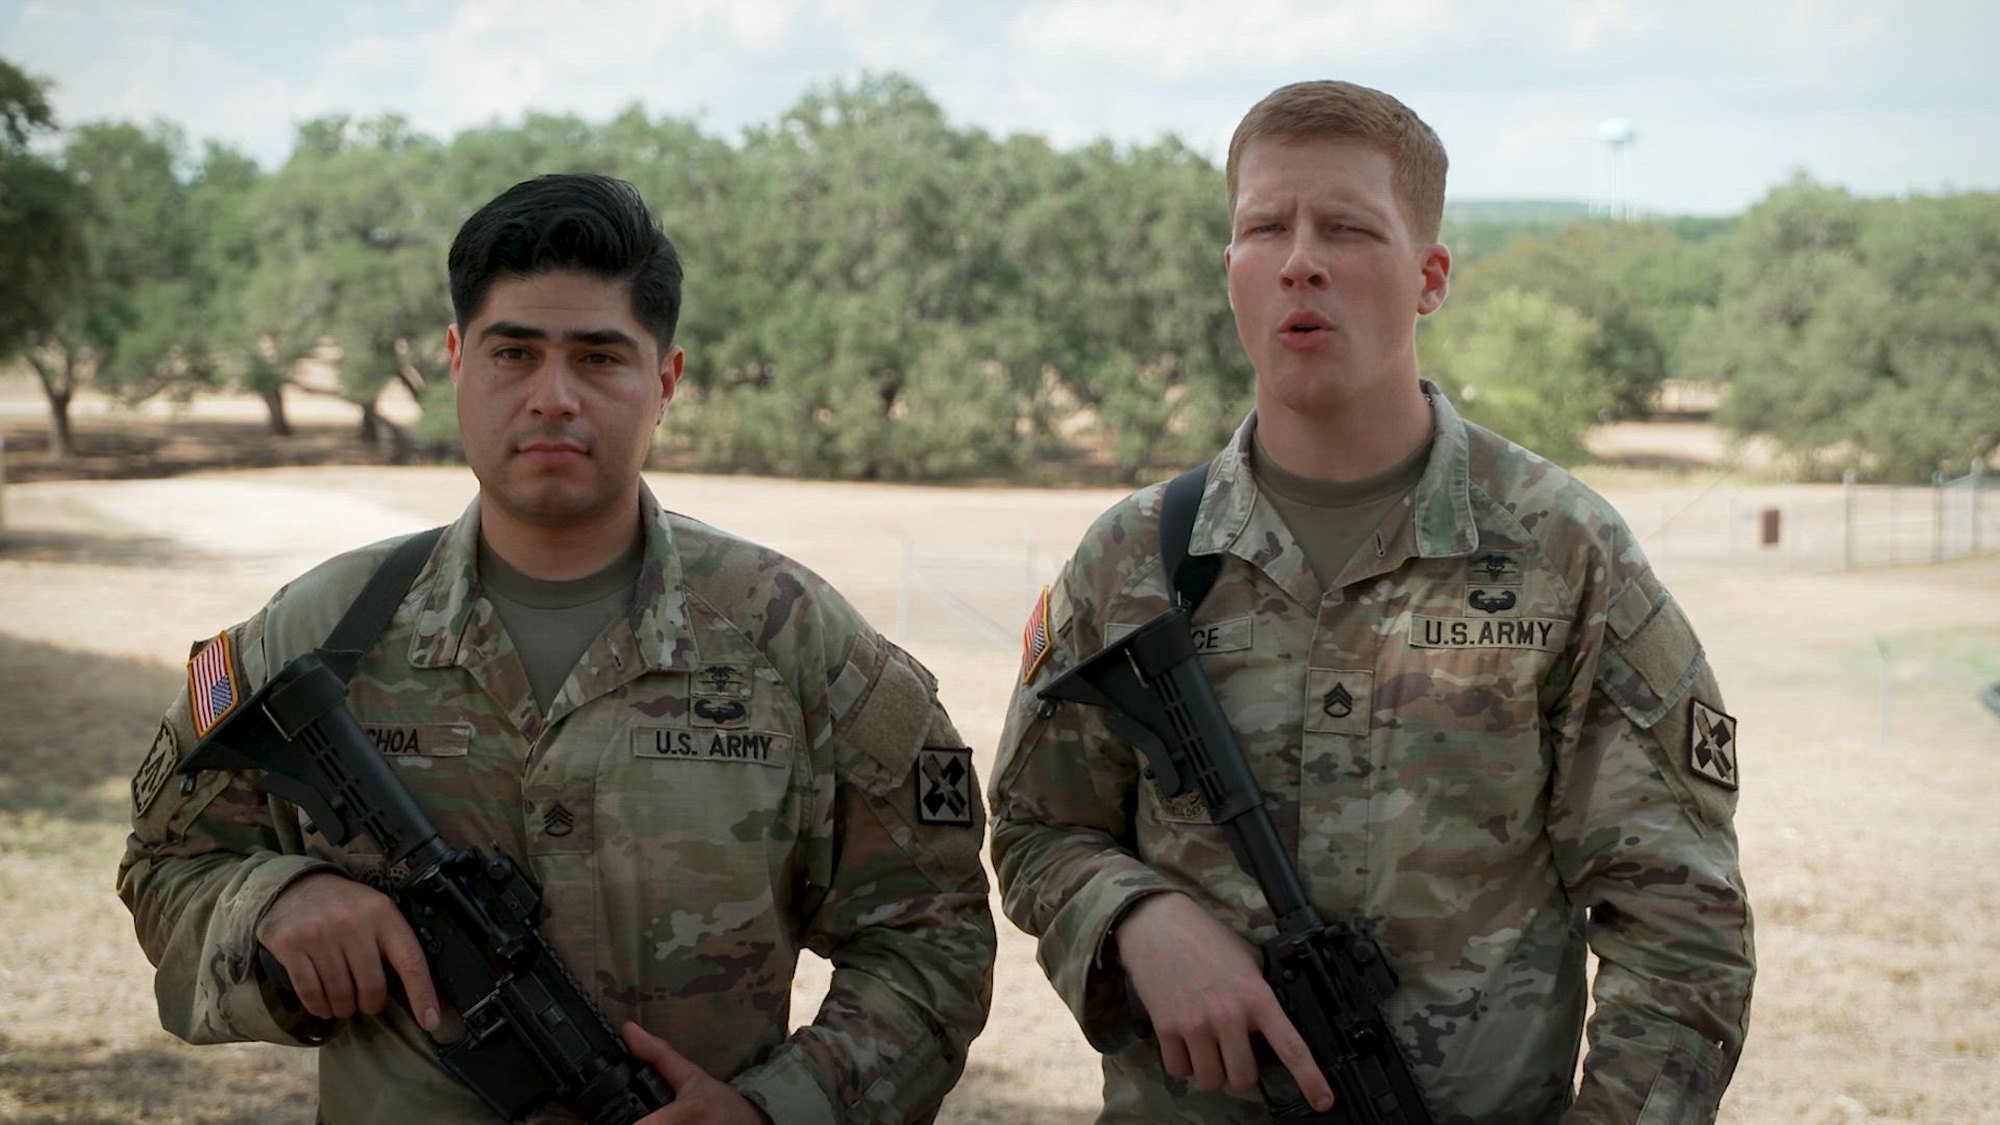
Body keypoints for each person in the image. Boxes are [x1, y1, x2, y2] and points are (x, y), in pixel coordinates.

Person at [119, 173, 995, 1124]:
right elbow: (165, 866)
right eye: (514, 353)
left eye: (599, 358)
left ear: (665, 381)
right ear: (456, 362)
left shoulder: (792, 637)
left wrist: (777, 1109)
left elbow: (932, 930)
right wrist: (270, 907)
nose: (553, 397)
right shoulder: (320, 632)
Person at [988, 81, 1754, 1124]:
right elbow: (1035, 827)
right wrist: (1134, 912)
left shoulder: (1561, 553)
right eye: (1264, 227)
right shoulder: (1128, 561)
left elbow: (1678, 922)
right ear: (1232, 271)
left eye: (1345, 228)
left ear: (1429, 275)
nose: (1299, 259)